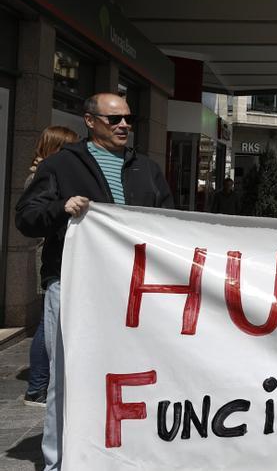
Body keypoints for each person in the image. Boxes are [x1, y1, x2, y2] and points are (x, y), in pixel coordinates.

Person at [16, 93, 172, 470]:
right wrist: (60, 208)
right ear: (90, 121)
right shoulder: (61, 165)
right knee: (67, 379)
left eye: (128, 119)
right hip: (74, 286)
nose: (123, 126)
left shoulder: (146, 169)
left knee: (130, 371)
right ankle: (60, 462)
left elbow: (169, 220)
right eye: (113, 119)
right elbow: (26, 218)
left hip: (131, 290)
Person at [21, 126, 80, 407]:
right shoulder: (42, 174)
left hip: (55, 253)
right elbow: (33, 216)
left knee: (48, 322)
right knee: (47, 323)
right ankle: (37, 387)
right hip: (50, 254)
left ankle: (37, 385)